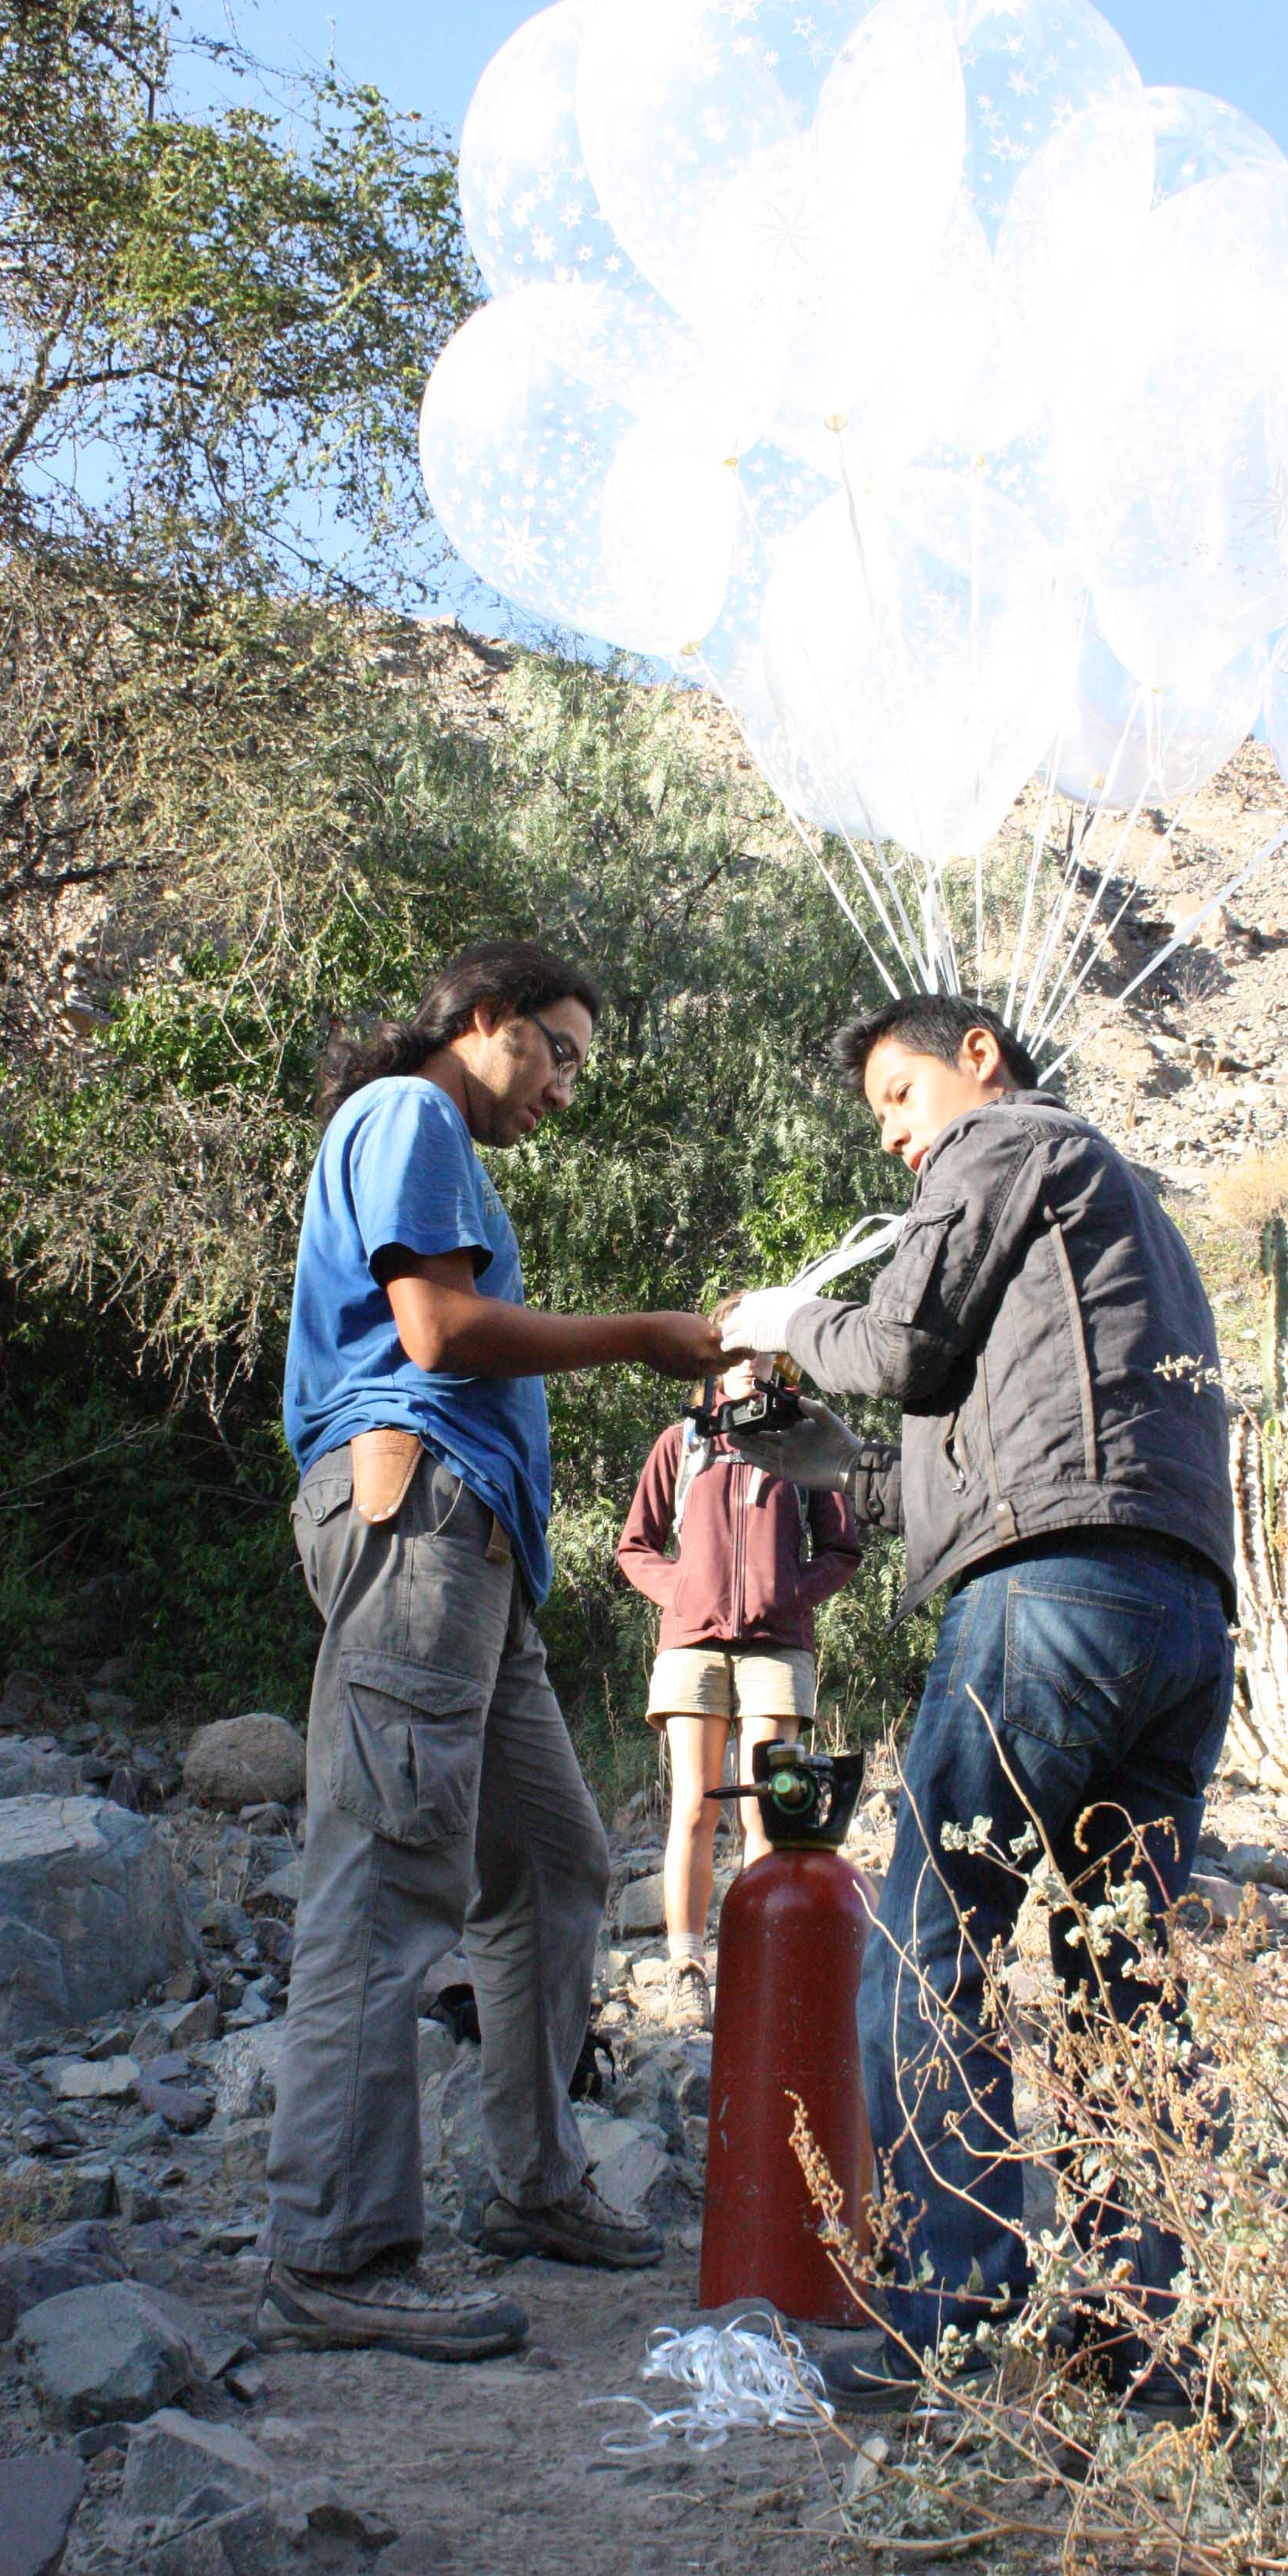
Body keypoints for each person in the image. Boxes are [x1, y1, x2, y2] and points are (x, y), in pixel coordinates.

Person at [720, 993, 1235, 2412]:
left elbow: (901, 1349)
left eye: (899, 1097)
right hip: (1181, 1613)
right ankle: (1143, 2343)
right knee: (1123, 1977)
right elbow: (966, 1439)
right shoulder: (1118, 1214)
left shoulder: (1008, 1140)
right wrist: (821, 1453)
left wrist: (782, 1319)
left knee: (929, 1948)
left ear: (979, 1060)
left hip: (1051, 1601)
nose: (896, 1138)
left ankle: (950, 2322)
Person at [257, 940, 731, 2367]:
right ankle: (337, 2248)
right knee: (388, 1872)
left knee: (555, 1861)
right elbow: (441, 1328)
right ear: (482, 1019)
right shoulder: (411, 1112)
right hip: (419, 1517)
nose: (565, 1088)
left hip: (472, 1549)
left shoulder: (428, 1135)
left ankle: (532, 2183)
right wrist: (646, 1337)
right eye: (557, 1050)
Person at [616, 1356, 864, 2027]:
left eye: (762, 1354)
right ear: (714, 1368)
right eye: (735, 1353)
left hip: (777, 1649)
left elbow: (842, 1549)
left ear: (777, 1366)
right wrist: (683, 1594)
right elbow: (635, 1546)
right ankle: (687, 1968)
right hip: (692, 1647)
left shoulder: (800, 1441)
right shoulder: (681, 1442)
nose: (750, 1365)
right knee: (695, 1807)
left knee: (767, 1813)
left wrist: (791, 1596)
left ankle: (759, 1968)